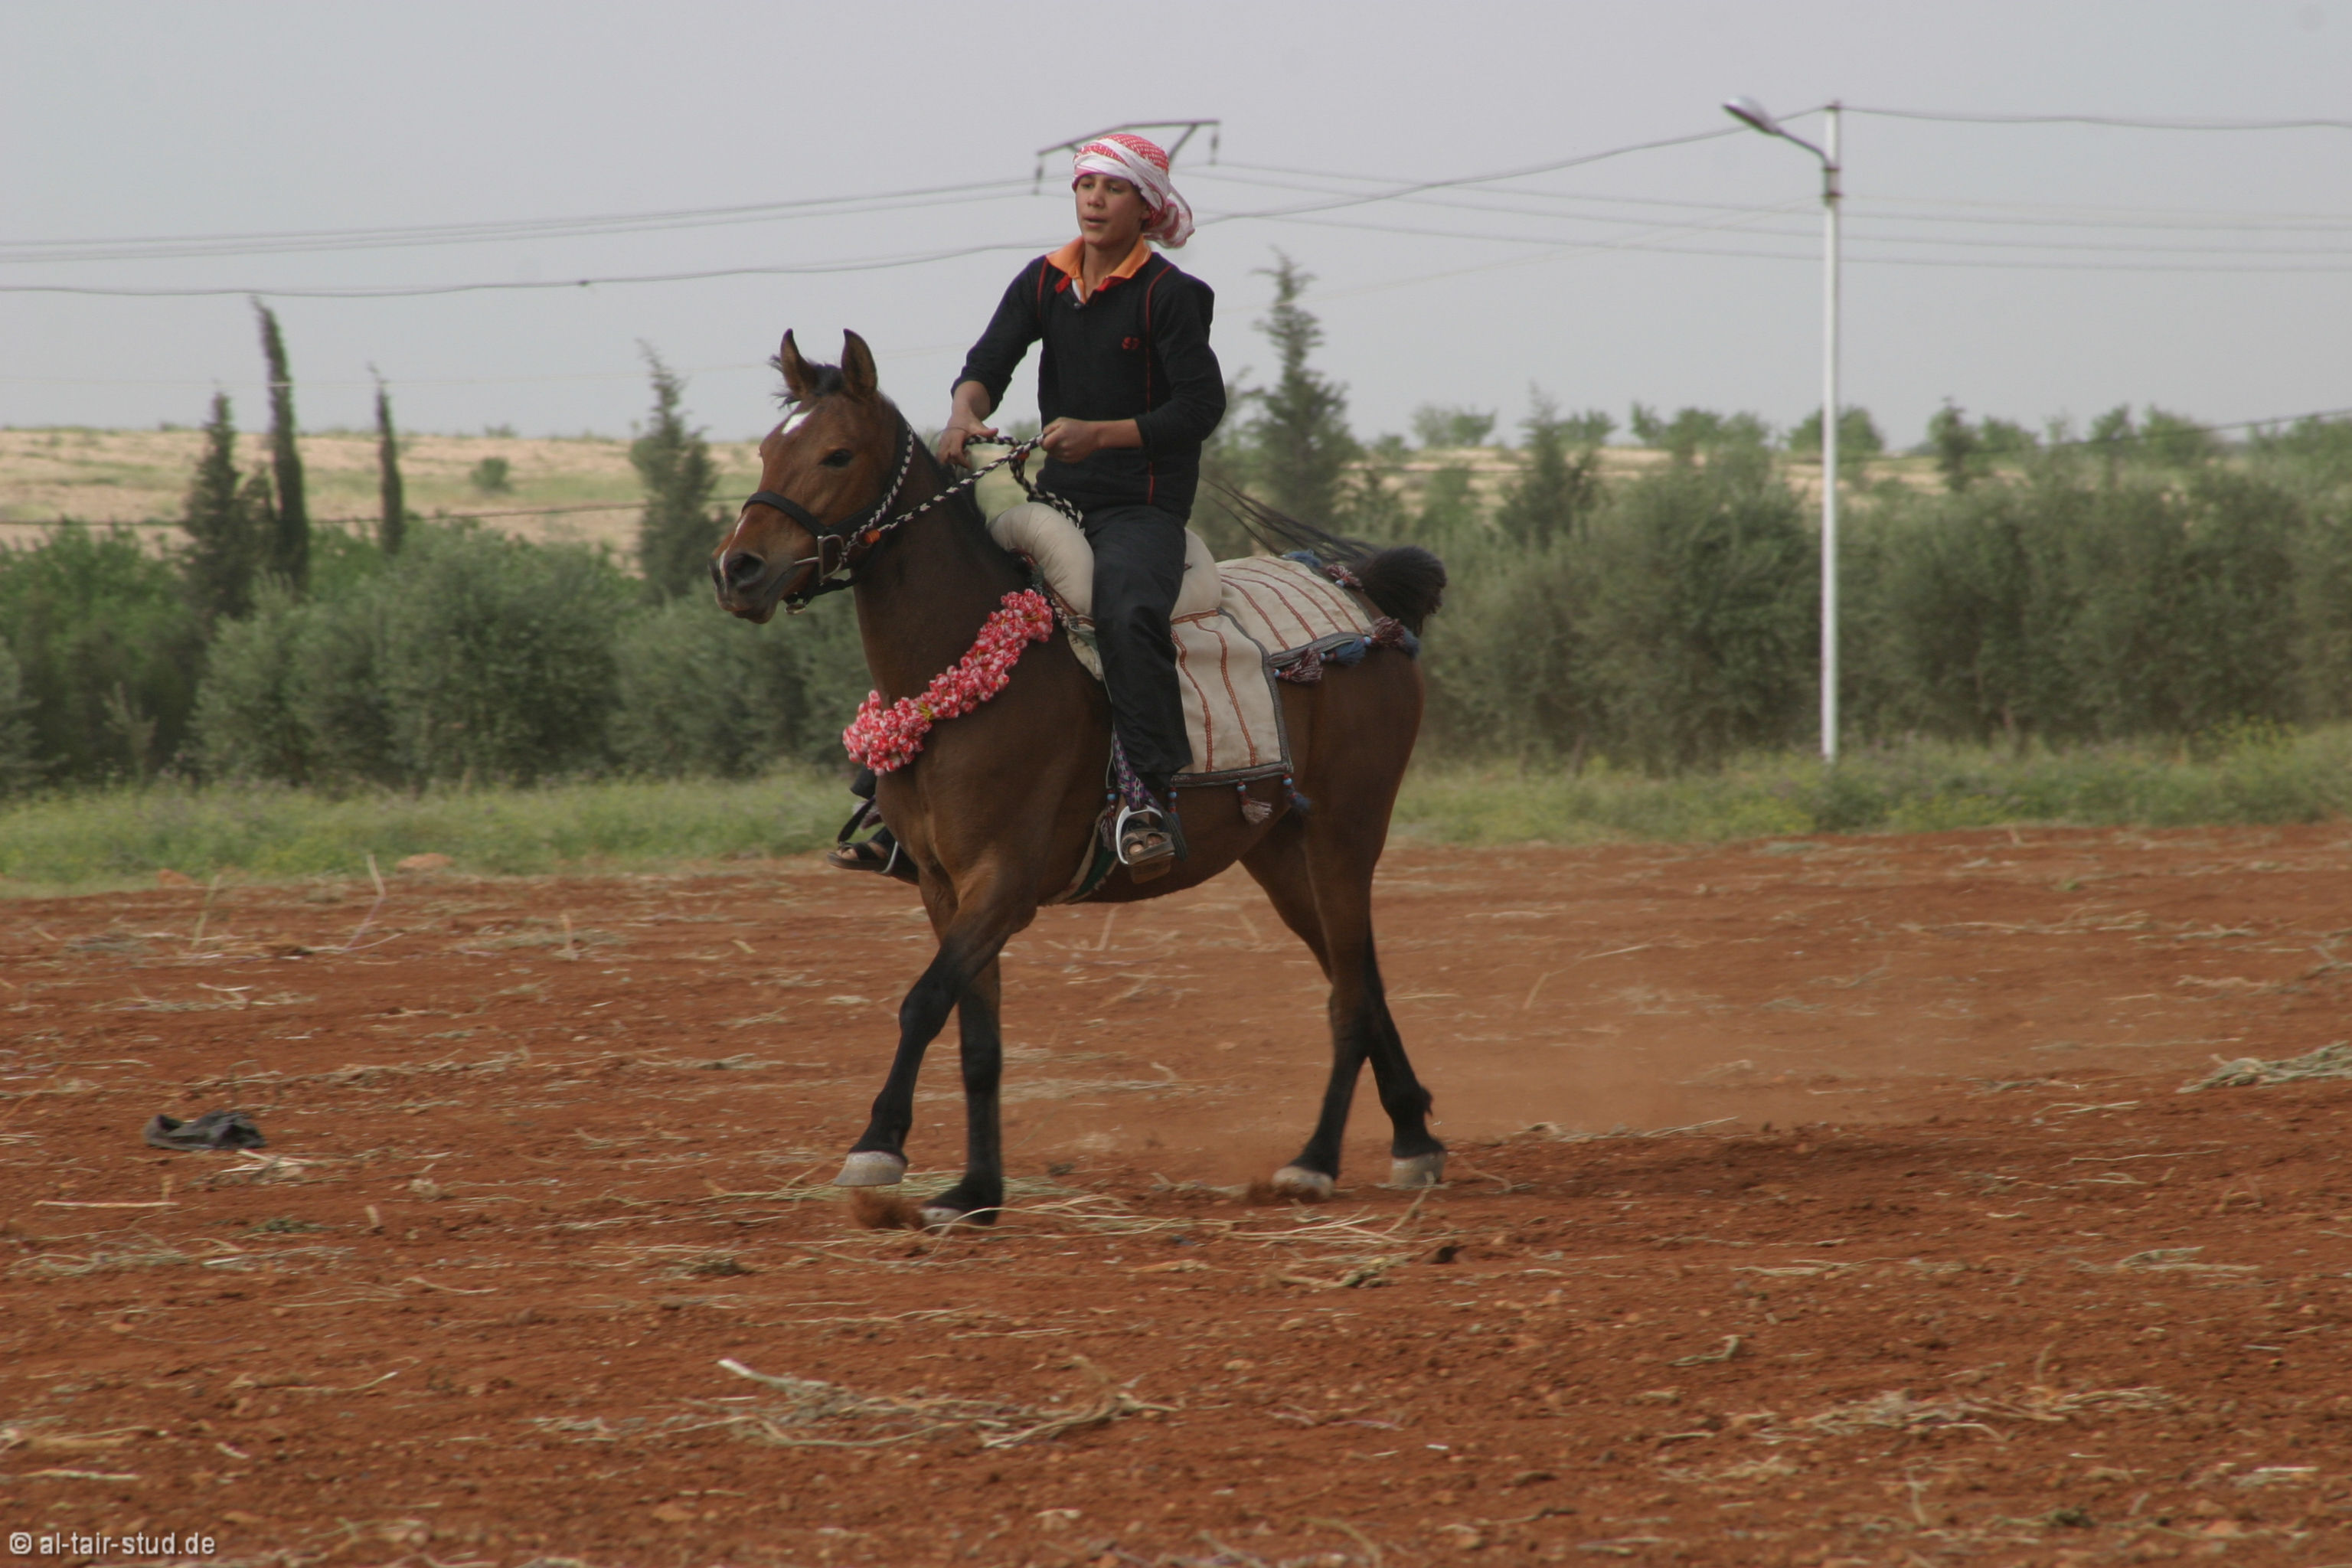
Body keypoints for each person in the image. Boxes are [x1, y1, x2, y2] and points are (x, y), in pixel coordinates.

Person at [831, 132, 1225, 875]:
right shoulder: (1042, 281)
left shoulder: (1172, 295)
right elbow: (988, 365)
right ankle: (891, 805)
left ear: (1147, 207)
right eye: (1086, 187)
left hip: (1139, 509)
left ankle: (1149, 798)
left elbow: (1200, 409)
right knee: (946, 590)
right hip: (1056, 498)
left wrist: (1100, 434)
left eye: (1113, 189)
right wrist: (962, 414)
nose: (1094, 201)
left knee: (1127, 611)